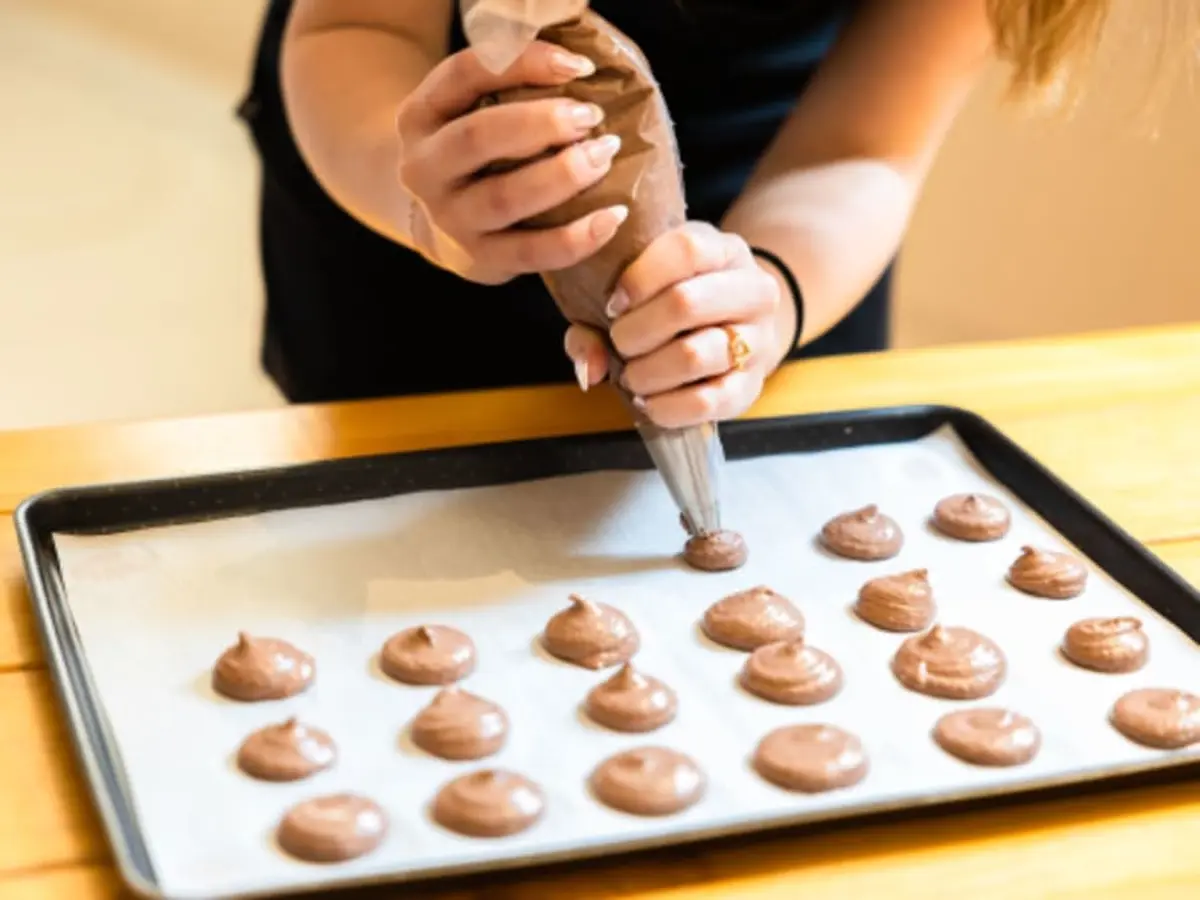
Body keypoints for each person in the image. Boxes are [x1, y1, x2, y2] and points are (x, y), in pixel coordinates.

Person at [238, 0, 1110, 427]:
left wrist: (764, 302)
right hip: (411, 169)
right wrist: (415, 196)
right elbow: (357, 25)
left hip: (787, 207)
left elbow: (861, 149)